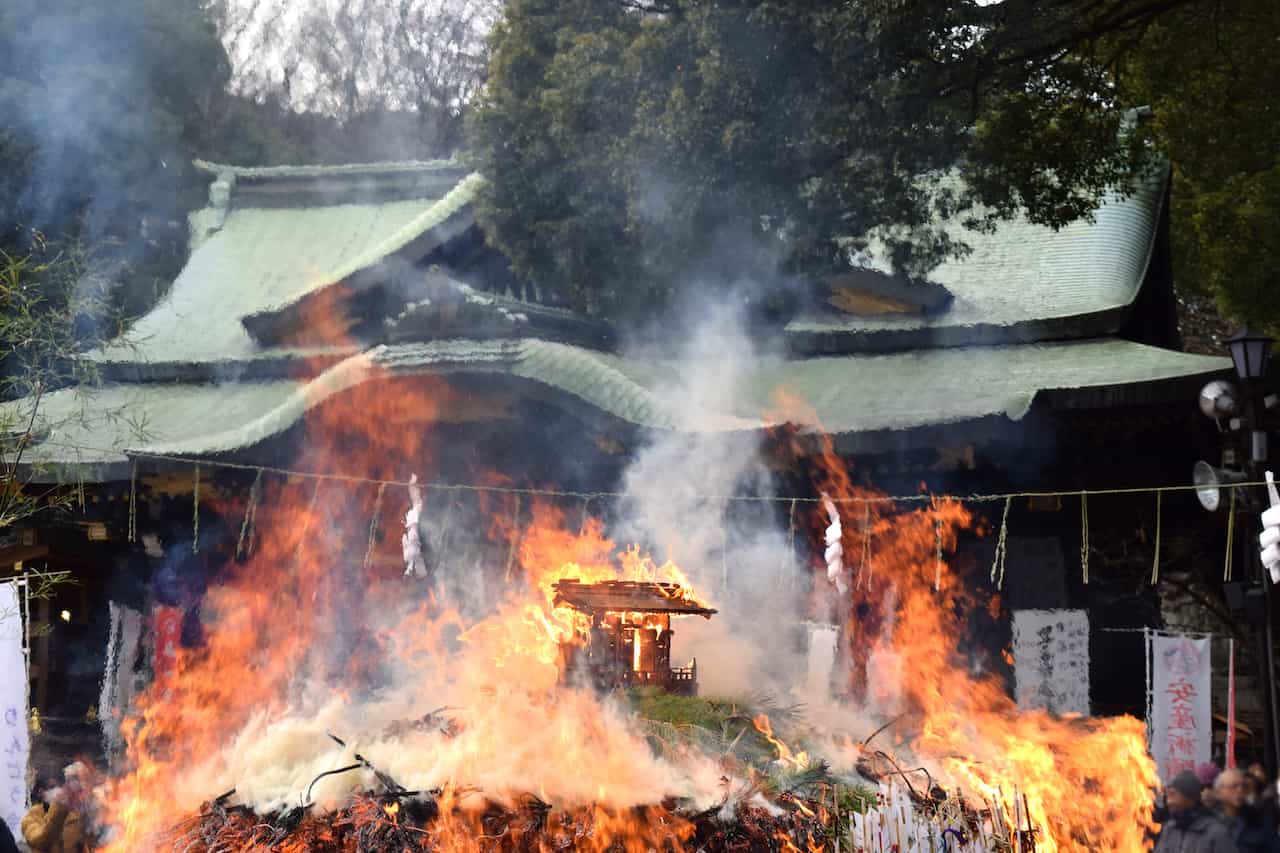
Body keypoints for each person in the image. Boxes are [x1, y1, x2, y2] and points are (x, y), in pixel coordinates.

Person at [1156, 769, 1240, 853]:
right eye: (1167, 796)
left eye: (1173, 794)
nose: (1169, 802)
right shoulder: (1169, 829)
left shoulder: (1216, 832)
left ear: (1189, 797)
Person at [21, 763, 90, 853]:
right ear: (41, 792)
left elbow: (94, 839)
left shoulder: (74, 815)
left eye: (60, 786)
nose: (59, 791)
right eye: (52, 787)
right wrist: (59, 806)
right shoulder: (30, 819)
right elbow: (42, 841)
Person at [1215, 768, 1280, 853]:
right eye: (1234, 786)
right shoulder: (1208, 822)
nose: (1240, 790)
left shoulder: (1260, 820)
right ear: (1219, 792)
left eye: (1244, 786)